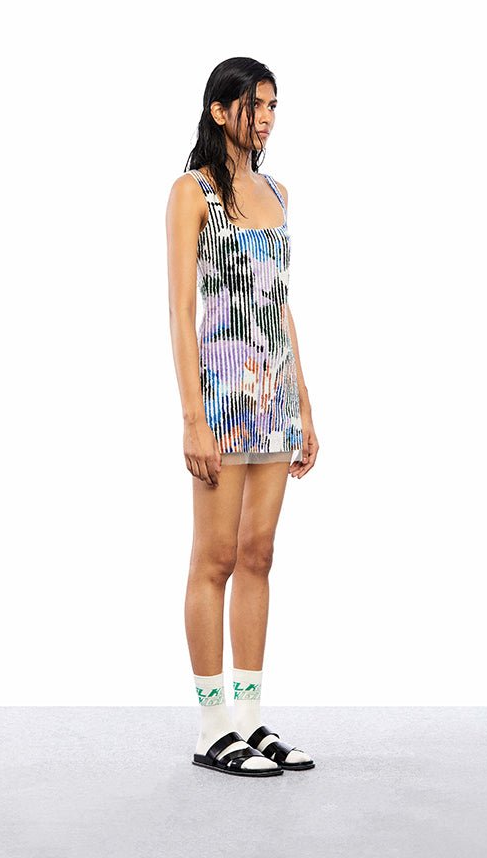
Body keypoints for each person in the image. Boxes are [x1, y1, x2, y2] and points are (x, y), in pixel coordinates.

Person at [165, 57, 319, 777]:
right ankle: (211, 726)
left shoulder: (278, 193)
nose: (266, 118)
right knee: (215, 558)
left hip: (274, 397)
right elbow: (180, 311)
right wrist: (192, 417)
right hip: (222, 401)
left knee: (259, 555)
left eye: (273, 106)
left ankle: (251, 719)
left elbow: (280, 304)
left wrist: (304, 404)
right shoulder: (191, 192)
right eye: (255, 105)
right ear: (221, 110)